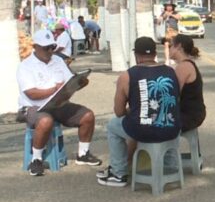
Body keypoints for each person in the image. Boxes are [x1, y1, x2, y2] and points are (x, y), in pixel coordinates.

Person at [97, 37, 182, 187]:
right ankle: (170, 166)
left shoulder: (127, 76)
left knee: (112, 126)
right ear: (155, 54)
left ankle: (118, 173)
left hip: (143, 131)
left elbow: (119, 112)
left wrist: (134, 110)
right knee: (170, 120)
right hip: (172, 130)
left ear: (136, 55)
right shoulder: (170, 72)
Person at [16, 29, 102, 176]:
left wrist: (79, 83)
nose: (50, 51)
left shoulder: (58, 60)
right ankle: (36, 159)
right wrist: (54, 90)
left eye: (52, 47)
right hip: (32, 106)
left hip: (57, 104)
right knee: (45, 121)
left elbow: (69, 81)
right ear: (35, 47)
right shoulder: (26, 66)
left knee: (87, 115)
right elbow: (31, 93)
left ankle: (83, 153)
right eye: (46, 48)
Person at [171, 34, 206, 132]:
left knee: (147, 124)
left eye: (171, 46)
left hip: (189, 115)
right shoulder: (186, 64)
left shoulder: (184, 67)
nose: (169, 49)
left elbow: (173, 95)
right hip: (193, 113)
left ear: (178, 47)